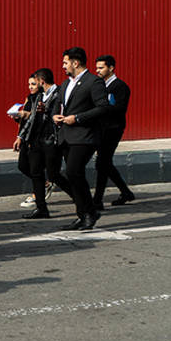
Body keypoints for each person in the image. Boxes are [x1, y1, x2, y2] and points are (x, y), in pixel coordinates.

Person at [51, 47, 109, 230]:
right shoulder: (65, 84)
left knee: (73, 171)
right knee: (73, 175)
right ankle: (82, 214)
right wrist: (54, 116)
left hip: (85, 136)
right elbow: (58, 104)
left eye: (65, 63)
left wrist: (77, 118)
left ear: (75, 63)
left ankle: (90, 211)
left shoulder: (94, 82)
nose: (63, 66)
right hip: (66, 136)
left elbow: (103, 107)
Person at [18, 68, 64, 220]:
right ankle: (41, 208)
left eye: (35, 82)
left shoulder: (58, 93)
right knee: (35, 172)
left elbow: (59, 115)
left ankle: (82, 202)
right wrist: (22, 136)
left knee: (54, 175)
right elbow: (32, 120)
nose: (33, 85)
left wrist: (47, 111)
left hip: (52, 140)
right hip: (37, 139)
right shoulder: (40, 96)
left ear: (41, 81)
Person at [93, 55, 134, 208]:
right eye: (97, 68)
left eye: (101, 68)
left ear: (111, 68)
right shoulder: (99, 86)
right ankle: (125, 192)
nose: (98, 71)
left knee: (102, 162)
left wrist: (102, 108)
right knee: (104, 163)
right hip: (100, 128)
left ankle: (97, 200)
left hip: (113, 129)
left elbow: (120, 108)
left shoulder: (120, 86)